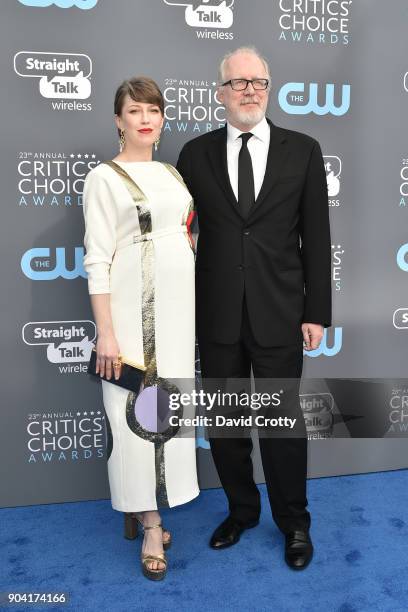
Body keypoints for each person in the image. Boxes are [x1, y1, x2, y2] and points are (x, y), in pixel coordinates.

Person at [177, 47, 331, 570]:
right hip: (215, 313)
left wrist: (317, 312)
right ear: (220, 93)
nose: (248, 89)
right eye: (237, 82)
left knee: (283, 427)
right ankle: (241, 511)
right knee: (225, 424)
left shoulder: (303, 150)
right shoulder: (194, 155)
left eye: (257, 81)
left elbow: (316, 235)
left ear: (269, 89)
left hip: (280, 312)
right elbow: (182, 237)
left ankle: (294, 523)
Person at [83, 76, 199, 580]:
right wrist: (105, 332)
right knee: (131, 407)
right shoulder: (103, 178)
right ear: (118, 120)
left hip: (176, 314)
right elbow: (97, 259)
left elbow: (184, 233)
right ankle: (148, 521)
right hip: (130, 313)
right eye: (134, 111)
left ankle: (157, 501)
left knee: (168, 405)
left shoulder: (172, 173)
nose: (146, 119)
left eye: (153, 110)